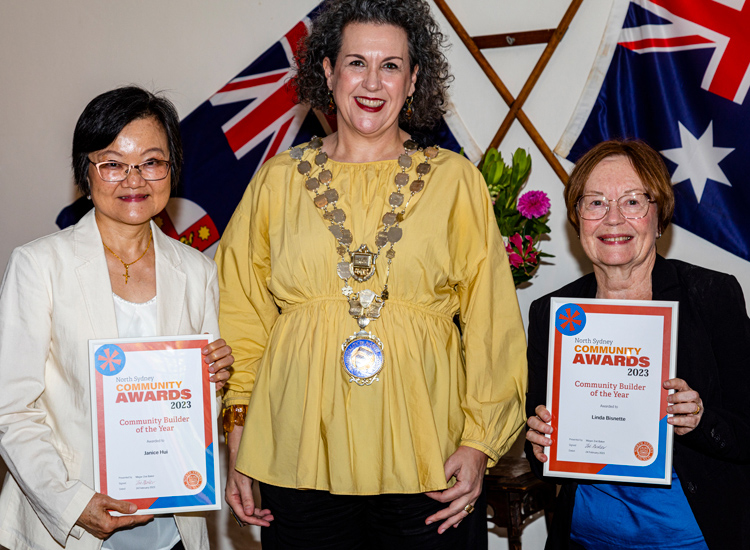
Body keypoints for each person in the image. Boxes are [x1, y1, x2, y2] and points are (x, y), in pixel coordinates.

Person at [216, 0, 528, 547]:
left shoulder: (456, 182)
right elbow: (241, 310)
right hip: (298, 447)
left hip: (429, 451)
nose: (372, 82)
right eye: (356, 62)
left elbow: (492, 320)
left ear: (412, 82)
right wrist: (239, 426)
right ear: (328, 71)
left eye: (391, 66)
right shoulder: (276, 182)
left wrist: (481, 441)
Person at [0, 86, 234, 550]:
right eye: (112, 163)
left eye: (151, 161)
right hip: (67, 527)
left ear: (172, 170)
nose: (134, 179)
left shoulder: (197, 272)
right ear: (85, 174)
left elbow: (195, 416)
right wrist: (70, 503)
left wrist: (214, 382)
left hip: (174, 527)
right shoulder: (38, 265)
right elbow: (12, 409)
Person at [525, 139, 750, 550]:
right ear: (577, 220)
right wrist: (540, 441)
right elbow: (543, 454)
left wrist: (699, 419)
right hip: (586, 538)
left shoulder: (712, 296)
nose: (613, 219)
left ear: (659, 216)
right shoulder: (550, 314)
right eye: (595, 203)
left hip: (693, 538)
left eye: (632, 201)